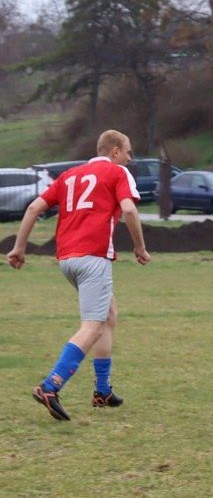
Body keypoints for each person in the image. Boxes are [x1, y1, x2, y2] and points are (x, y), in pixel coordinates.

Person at [6, 130, 150, 421]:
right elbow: (129, 211)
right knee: (92, 327)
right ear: (114, 151)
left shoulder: (69, 175)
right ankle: (50, 386)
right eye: (128, 152)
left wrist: (19, 247)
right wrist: (139, 247)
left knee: (108, 315)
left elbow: (33, 208)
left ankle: (102, 391)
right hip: (93, 257)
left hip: (67, 259)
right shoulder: (117, 173)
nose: (130, 158)